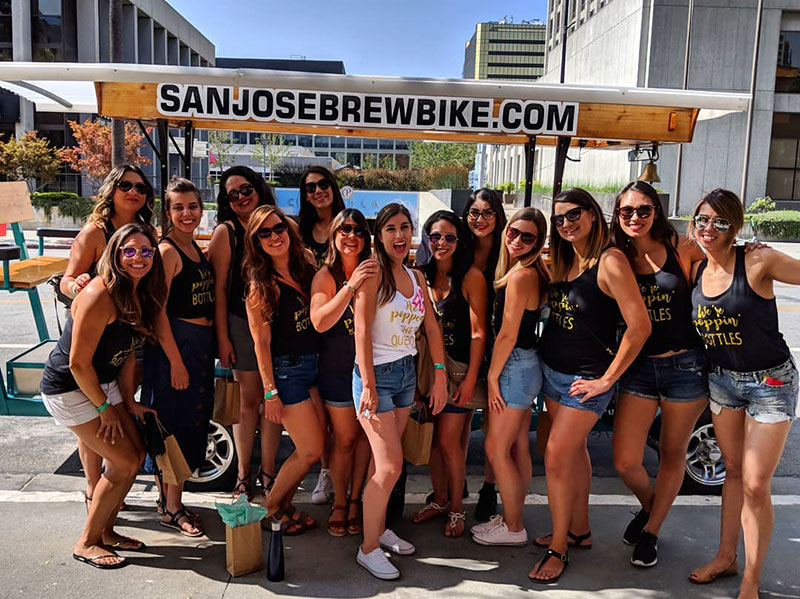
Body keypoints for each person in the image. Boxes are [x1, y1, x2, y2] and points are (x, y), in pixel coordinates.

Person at [530, 188, 650, 583]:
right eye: (559, 218)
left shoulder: (609, 260)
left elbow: (639, 326)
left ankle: (559, 548)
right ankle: (578, 530)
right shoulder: (566, 258)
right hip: (553, 373)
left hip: (586, 381)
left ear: (594, 215)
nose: (566, 223)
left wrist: (607, 380)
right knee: (574, 453)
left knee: (554, 456)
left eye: (574, 214)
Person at [687, 189, 798, 599]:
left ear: (735, 226)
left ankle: (751, 578)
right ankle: (725, 557)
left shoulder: (757, 260)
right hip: (723, 383)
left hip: (770, 383)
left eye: (720, 222)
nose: (708, 229)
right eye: (702, 219)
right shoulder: (696, 267)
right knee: (732, 473)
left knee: (754, 482)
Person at [40, 223, 165, 569]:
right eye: (129, 250)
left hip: (103, 383)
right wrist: (104, 409)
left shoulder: (138, 291)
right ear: (115, 254)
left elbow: (126, 353)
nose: (138, 257)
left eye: (146, 251)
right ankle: (88, 541)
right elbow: (78, 364)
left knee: (136, 453)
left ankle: (107, 532)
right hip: (71, 387)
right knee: (124, 461)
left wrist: (127, 401)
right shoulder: (100, 294)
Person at [609, 181, 709, 567]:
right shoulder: (617, 256)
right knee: (624, 461)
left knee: (671, 454)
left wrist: (749, 250)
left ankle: (651, 531)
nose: (635, 217)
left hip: (685, 365)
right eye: (626, 211)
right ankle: (653, 510)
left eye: (643, 210)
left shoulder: (679, 248)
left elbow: (720, 263)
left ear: (657, 211)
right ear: (618, 216)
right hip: (639, 367)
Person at [352, 203, 448, 579]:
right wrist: (370, 385)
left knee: (386, 465)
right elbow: (361, 331)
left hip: (407, 374)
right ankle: (368, 547)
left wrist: (439, 374)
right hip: (374, 376)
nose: (399, 235)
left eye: (405, 227)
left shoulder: (417, 276)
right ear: (380, 235)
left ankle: (378, 529)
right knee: (390, 465)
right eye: (390, 228)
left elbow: (431, 329)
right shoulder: (373, 274)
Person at [59, 164, 155, 516]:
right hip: (94, 334)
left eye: (141, 188)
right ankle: (92, 486)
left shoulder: (146, 231)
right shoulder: (95, 231)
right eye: (126, 185)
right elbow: (67, 279)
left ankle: (110, 485)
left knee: (118, 408)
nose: (134, 192)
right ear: (111, 189)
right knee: (96, 423)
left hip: (126, 335)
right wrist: (81, 287)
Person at [243, 205, 324, 535]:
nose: (274, 236)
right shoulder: (260, 285)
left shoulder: (306, 267)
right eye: (264, 233)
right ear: (256, 241)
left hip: (315, 365)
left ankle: (285, 505)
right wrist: (270, 393)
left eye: (278, 229)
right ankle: (270, 508)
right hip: (287, 372)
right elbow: (260, 344)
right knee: (310, 450)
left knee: (314, 449)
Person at [141, 178, 214, 537]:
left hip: (197, 344)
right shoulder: (168, 251)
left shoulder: (196, 248)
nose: (187, 214)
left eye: (193, 206)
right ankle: (173, 509)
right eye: (179, 207)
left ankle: (170, 501)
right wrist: (176, 361)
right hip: (176, 347)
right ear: (167, 212)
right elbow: (158, 313)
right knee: (172, 428)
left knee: (188, 425)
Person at [471, 208, 547, 547]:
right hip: (524, 365)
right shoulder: (528, 271)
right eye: (513, 232)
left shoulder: (520, 276)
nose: (516, 239)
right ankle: (513, 516)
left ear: (538, 242)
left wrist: (491, 377)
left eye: (527, 236)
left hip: (513, 367)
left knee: (495, 447)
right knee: (516, 447)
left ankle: (514, 526)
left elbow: (507, 334)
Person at [414, 210, 487, 538]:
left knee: (448, 441)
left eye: (449, 237)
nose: (441, 243)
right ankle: (441, 499)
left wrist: (471, 379)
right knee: (433, 444)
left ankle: (457, 508)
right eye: (435, 236)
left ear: (460, 241)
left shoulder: (470, 276)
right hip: (425, 371)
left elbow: (478, 332)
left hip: (457, 372)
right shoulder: (419, 275)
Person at [207, 166, 279, 500]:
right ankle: (242, 476)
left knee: (274, 402)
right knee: (248, 404)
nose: (240, 197)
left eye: (245, 189)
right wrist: (223, 338)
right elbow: (219, 290)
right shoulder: (227, 232)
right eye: (231, 193)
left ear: (258, 188)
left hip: (279, 325)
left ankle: (268, 475)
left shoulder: (277, 224)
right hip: (240, 323)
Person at [310, 209, 377, 536]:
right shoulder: (326, 276)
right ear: (334, 236)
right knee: (346, 439)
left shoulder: (376, 272)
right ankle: (339, 501)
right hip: (336, 370)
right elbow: (320, 321)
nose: (352, 236)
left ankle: (355, 500)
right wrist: (350, 286)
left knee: (366, 437)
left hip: (373, 371)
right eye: (345, 230)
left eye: (358, 230)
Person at [298, 166, 346, 505]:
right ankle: (325, 472)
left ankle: (338, 475)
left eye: (323, 184)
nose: (317, 191)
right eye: (310, 187)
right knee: (319, 409)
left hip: (343, 331)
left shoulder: (350, 225)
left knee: (339, 410)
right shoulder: (300, 232)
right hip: (307, 326)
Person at [462, 188, 508, 521]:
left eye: (488, 213)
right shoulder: (460, 249)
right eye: (475, 212)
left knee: (494, 423)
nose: (480, 219)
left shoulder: (510, 250)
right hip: (462, 344)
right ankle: (454, 481)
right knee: (459, 417)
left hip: (500, 346)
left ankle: (489, 487)